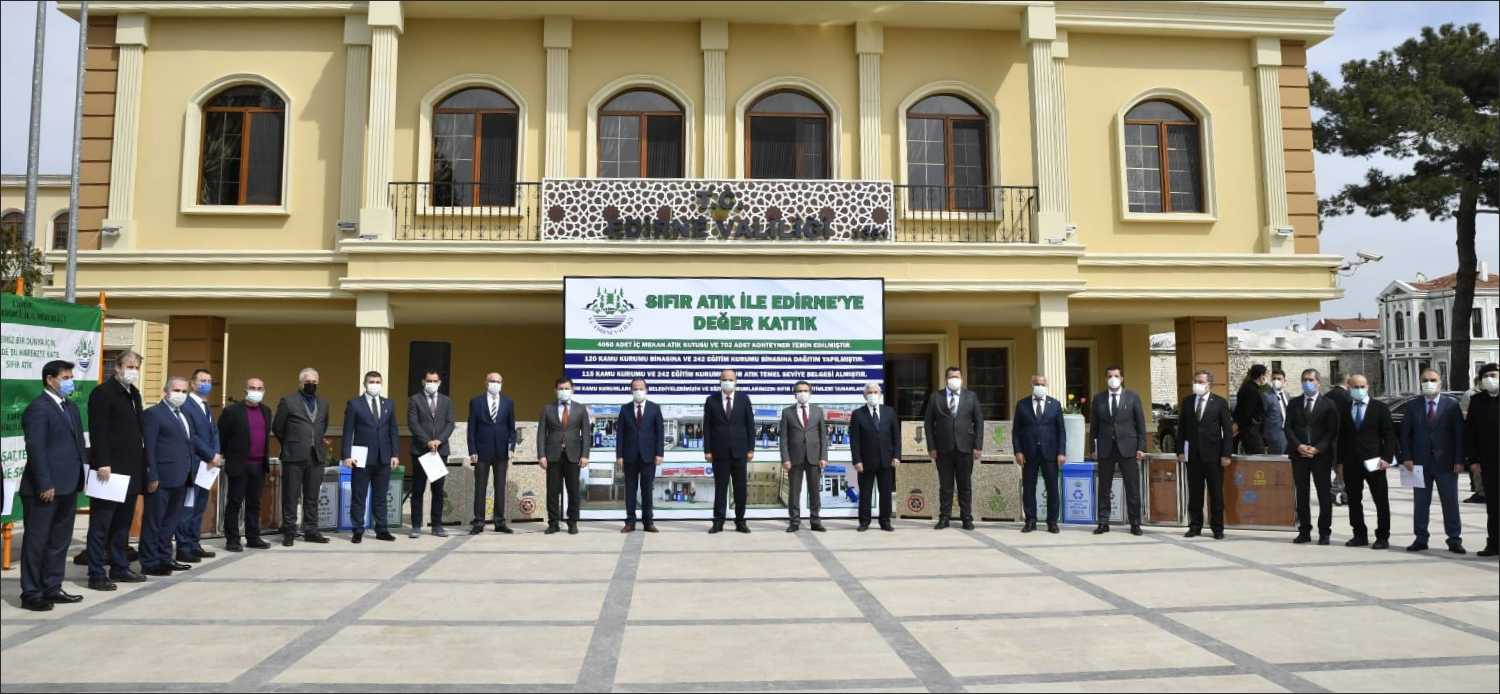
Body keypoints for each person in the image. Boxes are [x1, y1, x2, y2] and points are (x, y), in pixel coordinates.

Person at [18, 360, 87, 611]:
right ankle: (32, 593)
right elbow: (36, 449)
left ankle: (52, 586)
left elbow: (78, 445)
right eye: (66, 377)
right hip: (44, 489)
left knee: (59, 541)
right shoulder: (38, 408)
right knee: (37, 542)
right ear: (50, 379)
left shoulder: (70, 407)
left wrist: (82, 476)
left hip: (68, 485)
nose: (71, 382)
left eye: (71, 376)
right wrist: (45, 483)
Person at [84, 351, 147, 591]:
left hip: (131, 470)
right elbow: (98, 430)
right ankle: (96, 572)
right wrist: (102, 462)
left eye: (136, 367)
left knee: (122, 524)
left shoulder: (134, 393)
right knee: (102, 524)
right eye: (129, 366)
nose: (133, 371)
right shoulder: (103, 393)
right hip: (109, 470)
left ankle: (120, 567)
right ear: (117, 368)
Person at [141, 377, 214, 576]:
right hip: (161, 478)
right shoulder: (154, 414)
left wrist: (210, 457)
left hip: (182, 478)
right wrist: (151, 474)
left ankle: (165, 557)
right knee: (154, 521)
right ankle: (149, 561)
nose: (180, 394)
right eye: (176, 390)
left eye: (183, 391)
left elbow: (191, 442)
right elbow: (149, 448)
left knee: (170, 522)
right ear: (166, 391)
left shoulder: (184, 415)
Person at [1401, 368, 1467, 553]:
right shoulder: (1413, 405)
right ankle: (1421, 538)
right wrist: (1406, 457)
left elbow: (1459, 435)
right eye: (1425, 380)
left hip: (1446, 463)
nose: (1429, 383)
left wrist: (1459, 460)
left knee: (1450, 502)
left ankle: (1454, 539)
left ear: (1440, 382)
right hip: (1418, 464)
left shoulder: (1452, 405)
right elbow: (1405, 435)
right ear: (1420, 383)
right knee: (1421, 502)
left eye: (1433, 379)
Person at [272, 367, 331, 546]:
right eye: (308, 381)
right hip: (293, 456)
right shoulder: (288, 401)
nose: (311, 384)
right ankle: (289, 531)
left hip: (316, 456)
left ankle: (311, 530)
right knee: (291, 495)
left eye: (314, 382)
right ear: (300, 383)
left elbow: (323, 426)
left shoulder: (324, 403)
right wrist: (291, 444)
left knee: (312, 496)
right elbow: (278, 428)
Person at [1339, 374, 1396, 549]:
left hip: (1375, 462)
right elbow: (1340, 438)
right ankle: (1359, 534)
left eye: (1362, 386)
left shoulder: (1380, 408)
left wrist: (1386, 458)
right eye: (1355, 386)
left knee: (1380, 500)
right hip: (1351, 463)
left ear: (1368, 387)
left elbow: (1389, 435)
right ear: (1349, 387)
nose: (1359, 389)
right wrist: (1339, 462)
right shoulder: (1344, 408)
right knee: (1354, 500)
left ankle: (1383, 536)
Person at [342, 371, 400, 543]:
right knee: (359, 495)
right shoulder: (354, 404)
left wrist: (395, 454)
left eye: (377, 381)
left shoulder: (389, 404)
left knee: (381, 496)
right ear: (364, 384)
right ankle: (357, 529)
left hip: (384, 457)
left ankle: (381, 529)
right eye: (371, 381)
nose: (374, 384)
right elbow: (347, 432)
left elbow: (393, 431)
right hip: (361, 458)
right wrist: (346, 455)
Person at [924, 366, 984, 530]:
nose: (954, 379)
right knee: (945, 486)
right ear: (946, 379)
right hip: (943, 449)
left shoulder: (971, 397)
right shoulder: (936, 397)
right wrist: (931, 446)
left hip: (966, 448)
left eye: (957, 376)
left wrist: (978, 446)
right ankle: (944, 517)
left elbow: (979, 422)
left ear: (962, 379)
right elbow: (928, 424)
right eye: (951, 377)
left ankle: (966, 518)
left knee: (965, 485)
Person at [174, 369, 224, 564]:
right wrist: (210, 454)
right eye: (202, 380)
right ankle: (183, 546)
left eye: (209, 381)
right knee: (188, 508)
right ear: (192, 383)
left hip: (207, 466)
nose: (207, 384)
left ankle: (194, 544)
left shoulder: (205, 406)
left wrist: (216, 454)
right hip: (194, 464)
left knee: (199, 508)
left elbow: (214, 433)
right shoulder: (186, 404)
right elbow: (192, 436)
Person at [1090, 366, 1147, 535]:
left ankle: (1135, 523)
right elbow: (1094, 426)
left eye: (1116, 375)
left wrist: (1141, 447)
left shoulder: (1132, 397)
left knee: (1132, 487)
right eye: (1109, 376)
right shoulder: (1098, 398)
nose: (1112, 378)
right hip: (1106, 448)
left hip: (1128, 448)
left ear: (1122, 378)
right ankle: (1103, 522)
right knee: (1104, 487)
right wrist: (1093, 448)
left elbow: (1140, 424)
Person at [1285, 368, 1339, 545]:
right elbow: (1288, 428)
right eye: (1304, 380)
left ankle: (1324, 532)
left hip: (1320, 456)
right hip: (1299, 455)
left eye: (1310, 380)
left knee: (1324, 494)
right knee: (1302, 493)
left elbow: (1332, 431)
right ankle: (1304, 530)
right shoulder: (1294, 403)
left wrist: (1318, 448)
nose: (1307, 383)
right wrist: (1298, 446)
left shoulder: (1329, 404)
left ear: (1318, 382)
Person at [219, 378, 273, 552]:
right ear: (245, 390)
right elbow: (222, 437)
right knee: (234, 502)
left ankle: (253, 537)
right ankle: (232, 539)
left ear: (264, 390)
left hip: (258, 465)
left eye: (259, 388)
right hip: (239, 465)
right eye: (252, 388)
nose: (256, 390)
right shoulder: (232, 411)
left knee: (254, 503)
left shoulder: (266, 411)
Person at [1178, 369, 1232, 539]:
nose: (1197, 384)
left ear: (1209, 384)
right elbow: (1182, 429)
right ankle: (1195, 526)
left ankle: (1217, 528)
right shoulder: (1187, 402)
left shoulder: (1220, 403)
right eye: (1195, 381)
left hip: (1214, 456)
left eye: (1201, 382)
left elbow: (1228, 430)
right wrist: (1180, 450)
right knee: (1195, 493)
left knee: (1216, 493)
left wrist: (1226, 454)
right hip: (1193, 456)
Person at [703, 368, 754, 534]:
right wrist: (707, 450)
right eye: (724, 379)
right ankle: (718, 522)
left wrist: (751, 448)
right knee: (720, 489)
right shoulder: (711, 400)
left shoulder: (744, 399)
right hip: (719, 453)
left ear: (736, 381)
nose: (727, 382)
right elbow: (707, 427)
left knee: (740, 490)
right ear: (720, 381)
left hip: (740, 452)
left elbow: (750, 425)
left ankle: (740, 522)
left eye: (731, 379)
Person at [1014, 374, 1065, 533]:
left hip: (1050, 453)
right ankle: (1030, 521)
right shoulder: (1022, 404)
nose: (1039, 386)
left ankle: (1052, 522)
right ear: (1032, 384)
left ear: (1046, 385)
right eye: (1036, 383)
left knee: (1052, 488)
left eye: (1042, 384)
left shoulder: (1055, 405)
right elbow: (1016, 431)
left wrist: (1061, 452)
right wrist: (1018, 451)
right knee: (1029, 488)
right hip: (1029, 453)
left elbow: (1061, 431)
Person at [465, 372, 516, 534]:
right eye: (492, 381)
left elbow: (511, 429)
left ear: (502, 383)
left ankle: (499, 522)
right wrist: (472, 449)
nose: (495, 383)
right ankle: (479, 522)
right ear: (486, 382)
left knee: (500, 486)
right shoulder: (476, 402)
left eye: (498, 381)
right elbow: (471, 428)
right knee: (480, 486)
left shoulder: (508, 402)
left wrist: (511, 447)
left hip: (502, 452)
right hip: (481, 451)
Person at [539, 376, 589, 535]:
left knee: (573, 490)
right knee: (552, 491)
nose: (564, 391)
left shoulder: (581, 409)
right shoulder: (547, 409)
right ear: (555, 391)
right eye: (561, 389)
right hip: (552, 455)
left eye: (567, 388)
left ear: (572, 390)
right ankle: (553, 523)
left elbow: (586, 434)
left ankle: (572, 522)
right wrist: (541, 455)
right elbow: (541, 434)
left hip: (573, 455)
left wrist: (585, 455)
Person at [408, 370, 455, 538]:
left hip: (439, 451)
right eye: (429, 380)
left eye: (435, 380)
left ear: (440, 382)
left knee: (438, 490)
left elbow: (450, 424)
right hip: (421, 450)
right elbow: (413, 423)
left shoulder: (446, 401)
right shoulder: (415, 400)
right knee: (418, 490)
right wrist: (427, 441)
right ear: (423, 381)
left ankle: (437, 525)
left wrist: (438, 441)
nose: (432, 383)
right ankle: (416, 526)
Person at [779, 381, 828, 533]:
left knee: (814, 491)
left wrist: (823, 457)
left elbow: (823, 437)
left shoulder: (818, 411)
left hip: (814, 457)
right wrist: (785, 458)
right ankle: (794, 521)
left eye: (805, 390)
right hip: (794, 458)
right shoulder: (787, 412)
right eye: (799, 390)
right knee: (794, 491)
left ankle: (815, 520)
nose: (803, 393)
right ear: (795, 394)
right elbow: (783, 439)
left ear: (810, 393)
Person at [616, 378, 664, 533]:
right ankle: (630, 522)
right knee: (630, 489)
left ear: (646, 390)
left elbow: (660, 433)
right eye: (635, 389)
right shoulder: (625, 409)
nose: (638, 391)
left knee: (646, 490)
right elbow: (620, 435)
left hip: (648, 456)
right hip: (629, 456)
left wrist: (659, 453)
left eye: (641, 388)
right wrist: (619, 456)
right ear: (631, 391)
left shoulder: (654, 408)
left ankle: (648, 522)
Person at [850, 382, 899, 532]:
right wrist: (857, 460)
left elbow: (896, 437)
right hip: (865, 462)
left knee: (885, 493)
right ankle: (864, 522)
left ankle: (885, 521)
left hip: (886, 460)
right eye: (870, 392)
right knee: (865, 493)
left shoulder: (889, 412)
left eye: (875, 392)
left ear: (880, 394)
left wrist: (896, 456)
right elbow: (854, 440)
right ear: (865, 395)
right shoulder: (858, 414)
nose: (873, 395)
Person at [1466, 363, 1498, 556]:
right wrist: (1473, 460)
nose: (1490, 379)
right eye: (1486, 376)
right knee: (1493, 506)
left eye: (1494, 375)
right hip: (1488, 462)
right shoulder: (1477, 400)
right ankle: (1493, 543)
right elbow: (1470, 432)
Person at [1325, 377, 1353, 506]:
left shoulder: (1326, 396)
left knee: (1336, 467)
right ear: (1347, 383)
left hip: (1327, 438)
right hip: (1344, 437)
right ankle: (1342, 493)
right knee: (1344, 468)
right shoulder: (1348, 397)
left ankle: (1334, 491)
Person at [1233, 364, 1268, 455]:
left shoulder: (1247, 387)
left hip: (1247, 428)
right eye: (1265, 374)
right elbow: (1247, 412)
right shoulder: (1252, 390)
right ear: (1261, 376)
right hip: (1250, 430)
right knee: (1258, 456)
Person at [1261, 369, 1290, 455]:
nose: (1276, 381)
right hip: (1274, 435)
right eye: (1274, 378)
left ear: (1284, 381)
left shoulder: (1287, 395)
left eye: (1279, 378)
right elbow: (1263, 416)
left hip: (1288, 433)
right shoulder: (1266, 396)